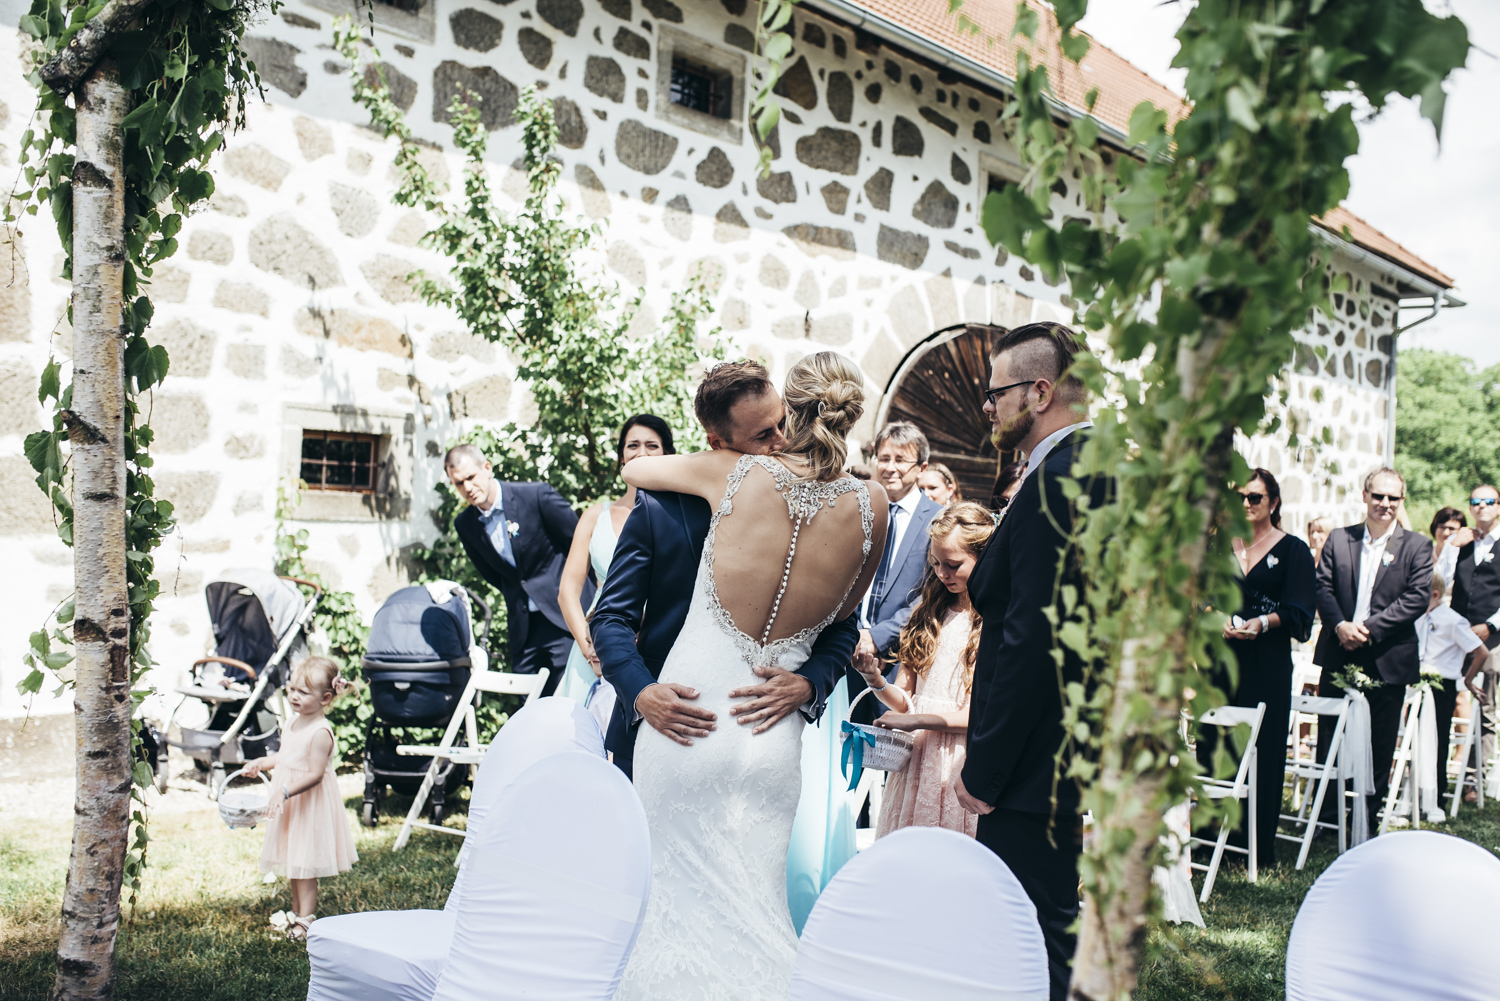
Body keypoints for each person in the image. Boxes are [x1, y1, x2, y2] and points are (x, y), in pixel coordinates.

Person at [608, 352, 887, 1000]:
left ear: (789, 412)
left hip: (688, 720)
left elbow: (636, 466)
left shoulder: (733, 472)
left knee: (671, 919)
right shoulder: (873, 506)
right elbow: (844, 621)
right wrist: (808, 679)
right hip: (770, 737)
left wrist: (811, 680)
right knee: (756, 910)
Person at [592, 360, 857, 779]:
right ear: (717, 442)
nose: (784, 440)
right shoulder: (661, 507)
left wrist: (810, 683)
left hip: (759, 746)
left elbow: (842, 624)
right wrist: (642, 693)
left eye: (783, 422)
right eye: (763, 435)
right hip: (661, 730)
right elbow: (609, 616)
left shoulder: (815, 508)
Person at [955, 321, 1107, 1001]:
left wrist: (986, 767)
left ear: (1041, 391)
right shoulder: (1088, 469)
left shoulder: (1061, 480)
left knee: (1028, 931)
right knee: (1042, 923)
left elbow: (1033, 638)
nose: (986, 405)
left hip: (1031, 760)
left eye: (997, 392)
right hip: (1065, 743)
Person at [855, 501, 994, 839]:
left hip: (958, 764)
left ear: (984, 556)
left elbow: (975, 714)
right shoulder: (926, 614)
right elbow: (906, 701)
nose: (942, 573)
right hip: (917, 762)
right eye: (935, 564)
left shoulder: (990, 622)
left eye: (953, 565)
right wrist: (874, 680)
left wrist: (913, 721)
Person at [1199, 468, 1315, 868]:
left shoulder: (1294, 550)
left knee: (1262, 751)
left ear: (1274, 503)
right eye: (1240, 498)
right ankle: (1207, 841)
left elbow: (1301, 611)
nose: (1246, 505)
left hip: (1266, 663)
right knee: (1216, 746)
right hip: (1220, 661)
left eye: (1255, 498)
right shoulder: (1217, 548)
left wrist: (1262, 623)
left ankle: (1253, 846)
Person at [1313, 467, 1433, 833]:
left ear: (1402, 500)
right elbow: (1322, 587)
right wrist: (1340, 626)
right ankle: (1328, 817)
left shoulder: (1417, 545)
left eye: (1392, 498)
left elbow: (1416, 598)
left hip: (1387, 655)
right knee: (1330, 736)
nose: (1384, 504)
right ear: (1364, 496)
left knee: (1379, 741)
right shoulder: (1338, 539)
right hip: (1339, 649)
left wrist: (1368, 629)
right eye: (1378, 496)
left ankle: (1366, 817)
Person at [447, 444, 590, 696]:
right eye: (458, 483)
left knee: (573, 701)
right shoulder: (465, 524)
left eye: (470, 477)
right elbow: (494, 574)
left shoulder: (535, 496)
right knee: (531, 709)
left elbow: (581, 546)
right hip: (524, 629)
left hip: (565, 619)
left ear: (487, 468)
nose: (467, 488)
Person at [554, 415, 673, 713]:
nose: (641, 452)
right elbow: (568, 590)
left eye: (652, 445)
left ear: (667, 454)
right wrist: (589, 647)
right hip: (596, 643)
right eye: (632, 445)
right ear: (622, 456)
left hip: (658, 642)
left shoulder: (679, 516)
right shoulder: (595, 515)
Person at [244, 657, 358, 941]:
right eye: (292, 689)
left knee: (306, 863)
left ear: (325, 697)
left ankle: (306, 919)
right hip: (290, 800)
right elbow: (286, 757)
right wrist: (261, 762)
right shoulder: (293, 722)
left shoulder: (320, 732)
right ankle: (296, 914)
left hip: (308, 802)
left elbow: (315, 774)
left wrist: (284, 791)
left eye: (303, 692)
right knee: (295, 858)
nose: (294, 696)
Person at [847, 422, 944, 725]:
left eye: (900, 460)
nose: (890, 467)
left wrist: (875, 637)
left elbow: (931, 594)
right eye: (884, 458)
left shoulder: (937, 520)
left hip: (898, 662)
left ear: (921, 466)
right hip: (847, 651)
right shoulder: (858, 510)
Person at [1445, 484, 1500, 773]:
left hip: (1491, 637)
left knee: (1485, 704)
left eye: (1489, 501)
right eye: (1476, 501)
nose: (1482, 506)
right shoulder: (1462, 541)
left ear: (1498, 506)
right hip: (1454, 634)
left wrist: (1491, 625)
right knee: (1447, 697)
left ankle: (1473, 776)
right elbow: (1439, 581)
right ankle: (1440, 767)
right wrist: (1452, 546)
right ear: (1470, 507)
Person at [1419, 575, 1489, 801]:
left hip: (1442, 685)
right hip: (1418, 684)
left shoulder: (1453, 620)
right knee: (1417, 739)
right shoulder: (1420, 616)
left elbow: (1481, 651)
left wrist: (1468, 680)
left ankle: (1436, 794)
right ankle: (1416, 787)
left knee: (1438, 739)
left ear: (1435, 595)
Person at [1430, 505, 1467, 589]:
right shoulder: (1424, 553)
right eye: (1442, 527)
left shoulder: (1464, 558)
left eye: (1452, 529)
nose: (1446, 533)